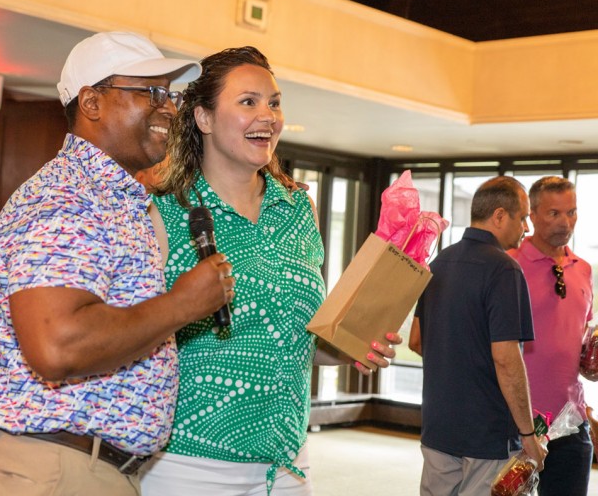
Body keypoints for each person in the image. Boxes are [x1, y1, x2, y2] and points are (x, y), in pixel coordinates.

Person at [0, 31, 237, 496]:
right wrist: (182, 304)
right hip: (50, 471)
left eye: (171, 95)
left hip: (80, 469)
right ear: (91, 102)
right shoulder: (66, 199)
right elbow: (57, 347)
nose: (169, 107)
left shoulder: (114, 201)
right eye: (150, 92)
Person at [140, 46, 401, 496]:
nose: (268, 116)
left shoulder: (298, 207)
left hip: (287, 465)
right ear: (203, 118)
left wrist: (351, 344)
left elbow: (297, 338)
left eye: (274, 102)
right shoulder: (165, 210)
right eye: (248, 102)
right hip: (189, 464)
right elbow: (138, 331)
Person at [409, 175, 547, 496]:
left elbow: (416, 340)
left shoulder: (439, 262)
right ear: (499, 216)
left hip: (438, 426)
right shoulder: (504, 270)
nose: (527, 228)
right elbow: (506, 360)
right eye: (523, 217)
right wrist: (528, 436)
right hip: (487, 435)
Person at [508, 176, 593, 496]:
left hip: (570, 423)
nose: (565, 222)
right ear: (531, 215)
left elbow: (580, 340)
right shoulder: (509, 266)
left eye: (571, 212)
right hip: (515, 423)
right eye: (554, 213)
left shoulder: (583, 269)